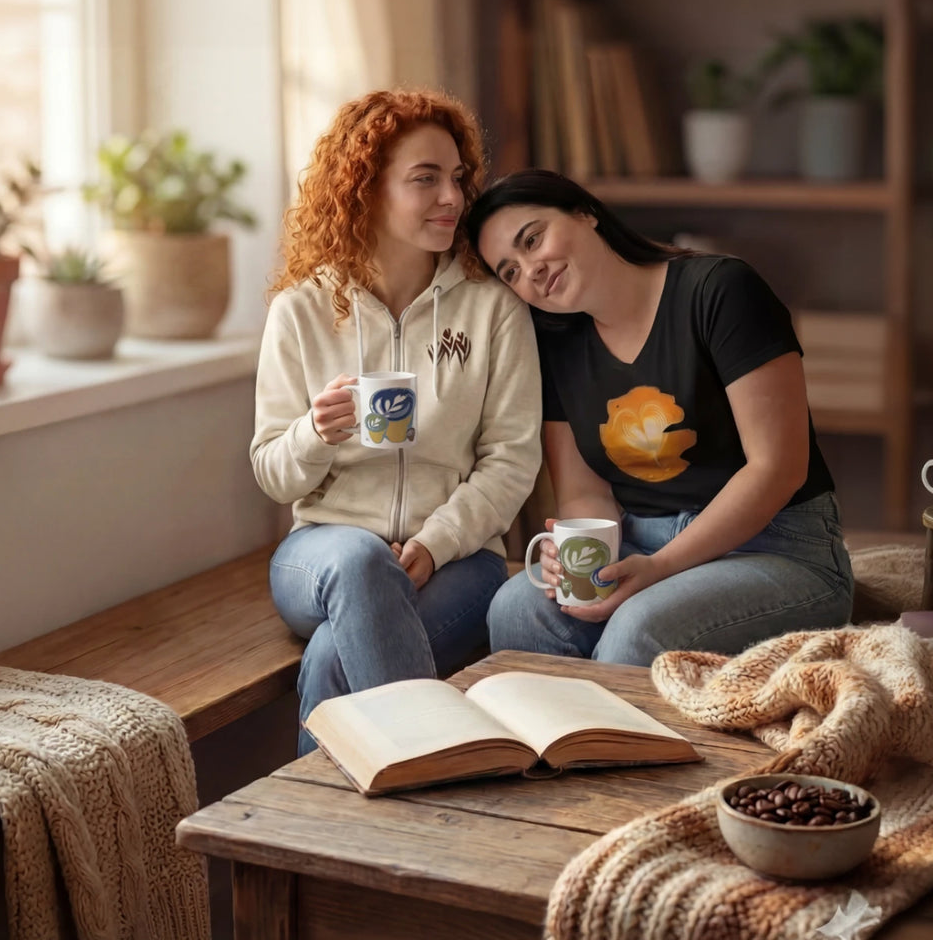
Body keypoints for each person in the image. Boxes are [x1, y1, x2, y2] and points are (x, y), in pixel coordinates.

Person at [252, 90, 542, 755]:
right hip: (322, 553)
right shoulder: (302, 310)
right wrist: (314, 434)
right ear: (367, 188)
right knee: (357, 562)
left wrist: (436, 541)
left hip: (458, 561)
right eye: (425, 179)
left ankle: (317, 846)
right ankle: (436, 776)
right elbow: (272, 470)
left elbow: (511, 458)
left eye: (458, 178)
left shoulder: (491, 309)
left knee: (330, 659)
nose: (453, 196)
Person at [464, 168, 853, 663]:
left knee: (636, 631)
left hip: (777, 547)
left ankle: (612, 743)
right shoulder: (555, 344)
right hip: (641, 542)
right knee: (517, 609)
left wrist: (662, 567)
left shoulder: (722, 291)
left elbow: (777, 468)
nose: (531, 270)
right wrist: (580, 555)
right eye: (511, 271)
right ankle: (557, 742)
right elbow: (585, 492)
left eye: (533, 239)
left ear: (585, 213)